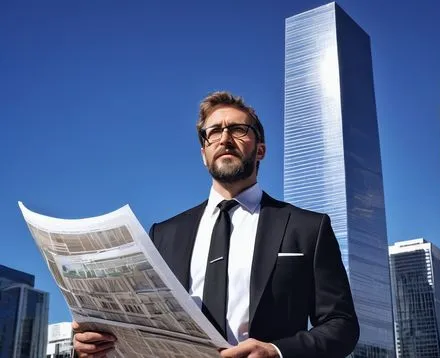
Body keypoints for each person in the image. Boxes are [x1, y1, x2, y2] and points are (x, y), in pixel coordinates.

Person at [73, 91, 359, 358]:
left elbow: (341, 324)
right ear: (203, 154)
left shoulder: (308, 227)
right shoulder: (163, 234)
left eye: (238, 129)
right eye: (213, 132)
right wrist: (92, 345)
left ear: (260, 150)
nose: (225, 138)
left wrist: (276, 351)